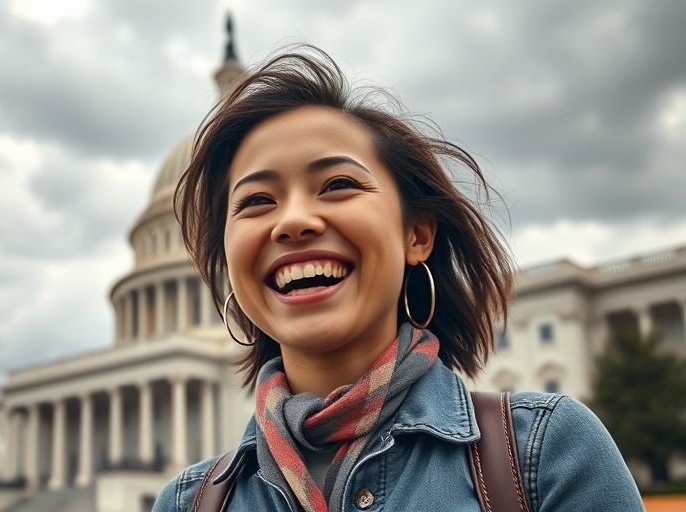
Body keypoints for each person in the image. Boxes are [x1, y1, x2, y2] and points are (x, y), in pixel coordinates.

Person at [154, 46, 642, 512]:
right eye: (257, 200)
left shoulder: (544, 454)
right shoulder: (188, 503)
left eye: (338, 184)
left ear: (417, 235)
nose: (294, 221)